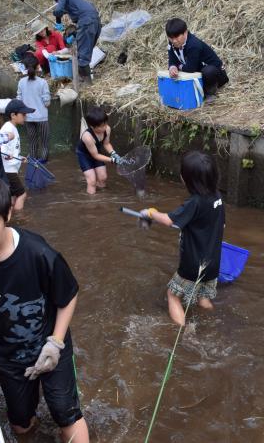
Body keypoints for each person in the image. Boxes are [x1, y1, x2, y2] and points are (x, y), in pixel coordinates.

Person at [0, 168, 89, 442]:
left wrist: (56, 342)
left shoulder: (39, 254)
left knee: (66, 412)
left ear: (7, 214)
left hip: (49, 343)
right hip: (8, 354)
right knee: (21, 423)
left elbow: (67, 297)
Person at [138, 151, 225, 326]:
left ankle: (182, 333)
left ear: (188, 180)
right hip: (213, 262)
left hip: (193, 265)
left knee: (173, 295)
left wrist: (151, 212)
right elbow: (221, 226)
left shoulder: (194, 202)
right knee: (203, 297)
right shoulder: (218, 198)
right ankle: (213, 324)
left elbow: (169, 220)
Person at [166, 18, 228, 104]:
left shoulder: (193, 45)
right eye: (171, 38)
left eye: (176, 37)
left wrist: (179, 66)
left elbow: (190, 68)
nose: (174, 41)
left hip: (216, 75)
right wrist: (172, 67)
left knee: (208, 71)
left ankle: (210, 92)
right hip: (197, 72)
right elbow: (172, 59)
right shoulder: (172, 43)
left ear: (185, 32)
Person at [53, 0, 101, 85]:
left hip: (86, 22)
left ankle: (87, 85)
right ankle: (86, 79)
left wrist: (58, 22)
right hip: (95, 20)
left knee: (82, 56)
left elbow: (58, 11)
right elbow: (64, 11)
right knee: (86, 51)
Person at [75, 106, 122, 194]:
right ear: (92, 126)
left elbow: (106, 143)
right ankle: (91, 202)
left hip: (96, 152)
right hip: (84, 155)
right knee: (92, 181)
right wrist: (112, 160)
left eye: (105, 124)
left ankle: (101, 199)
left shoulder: (107, 129)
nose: (104, 127)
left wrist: (113, 153)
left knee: (103, 178)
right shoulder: (87, 137)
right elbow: (95, 156)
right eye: (101, 126)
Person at [0, 99, 34, 211]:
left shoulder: (12, 127)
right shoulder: (8, 128)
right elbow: (2, 149)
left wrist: (19, 157)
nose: (25, 116)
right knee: (22, 195)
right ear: (13, 115)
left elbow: (11, 150)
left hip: (10, 168)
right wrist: (7, 155)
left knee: (13, 196)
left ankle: (11, 218)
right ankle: (20, 219)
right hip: (8, 170)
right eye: (23, 114)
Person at [17, 55, 51, 163]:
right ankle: (43, 160)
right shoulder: (42, 82)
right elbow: (47, 102)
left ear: (25, 67)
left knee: (32, 141)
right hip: (41, 117)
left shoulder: (21, 82)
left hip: (28, 117)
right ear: (37, 67)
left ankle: (32, 158)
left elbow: (19, 99)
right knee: (44, 141)